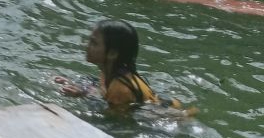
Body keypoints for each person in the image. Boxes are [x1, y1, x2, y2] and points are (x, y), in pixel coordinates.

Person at [55, 20, 185, 110]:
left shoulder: (120, 89)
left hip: (165, 118)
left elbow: (116, 120)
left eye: (94, 43)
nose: (86, 46)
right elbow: (102, 94)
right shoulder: (108, 72)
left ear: (112, 54)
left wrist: (83, 95)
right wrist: (78, 87)